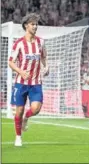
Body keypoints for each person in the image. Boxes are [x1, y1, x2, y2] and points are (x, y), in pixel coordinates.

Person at [8, 13, 49, 147]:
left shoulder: (40, 42)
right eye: (32, 24)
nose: (35, 26)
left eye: (36, 24)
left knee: (36, 109)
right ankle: (18, 137)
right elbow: (11, 62)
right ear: (26, 26)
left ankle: (27, 117)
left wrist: (46, 67)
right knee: (18, 111)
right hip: (21, 83)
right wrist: (20, 71)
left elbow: (43, 57)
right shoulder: (19, 44)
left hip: (36, 83)